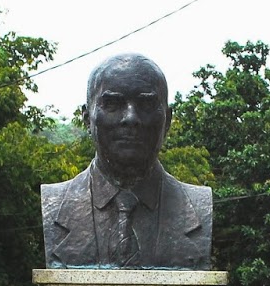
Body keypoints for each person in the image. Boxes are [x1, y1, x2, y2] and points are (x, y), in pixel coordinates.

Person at [41, 53, 212, 269]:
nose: (131, 118)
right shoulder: (53, 205)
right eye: (112, 104)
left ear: (167, 120)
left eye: (146, 105)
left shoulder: (199, 206)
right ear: (87, 118)